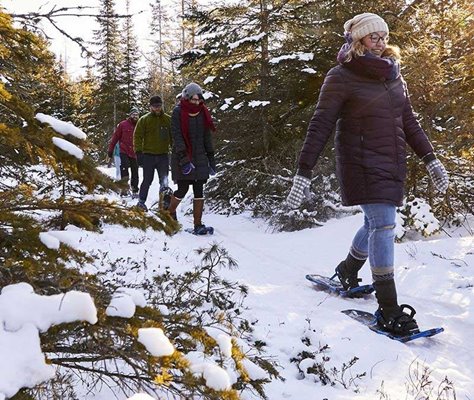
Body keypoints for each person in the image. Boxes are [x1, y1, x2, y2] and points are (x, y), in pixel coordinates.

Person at [286, 13, 449, 336]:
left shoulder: (393, 76)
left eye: (384, 36)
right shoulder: (341, 76)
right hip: (359, 161)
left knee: (373, 222)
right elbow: (320, 124)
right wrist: (303, 172)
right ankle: (389, 309)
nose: (381, 42)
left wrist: (431, 160)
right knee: (384, 224)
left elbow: (410, 122)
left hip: (391, 161)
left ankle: (348, 269)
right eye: (373, 37)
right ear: (358, 41)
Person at [167, 82, 216, 234]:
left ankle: (198, 225)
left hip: (200, 155)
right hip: (182, 156)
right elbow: (177, 136)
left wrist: (211, 157)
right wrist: (184, 159)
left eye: (198, 99)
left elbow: (206, 136)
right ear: (187, 98)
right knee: (183, 188)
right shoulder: (178, 112)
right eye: (193, 99)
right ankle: (169, 213)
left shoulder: (203, 112)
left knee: (199, 189)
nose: (196, 102)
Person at [133, 95, 172, 211]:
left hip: (163, 155)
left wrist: (176, 151)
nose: (157, 109)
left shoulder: (168, 120)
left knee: (164, 180)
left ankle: (164, 203)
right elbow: (137, 137)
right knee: (147, 180)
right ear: (150, 107)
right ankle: (141, 202)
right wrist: (138, 152)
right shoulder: (144, 120)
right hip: (148, 155)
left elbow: (173, 137)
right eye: (154, 106)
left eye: (159, 106)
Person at [108, 108, 140, 197]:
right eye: (133, 114)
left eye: (137, 115)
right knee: (124, 168)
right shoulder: (123, 124)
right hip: (124, 150)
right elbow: (115, 137)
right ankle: (124, 188)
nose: (135, 116)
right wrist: (110, 150)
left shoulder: (140, 124)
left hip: (135, 151)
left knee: (135, 170)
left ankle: (135, 189)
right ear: (130, 115)